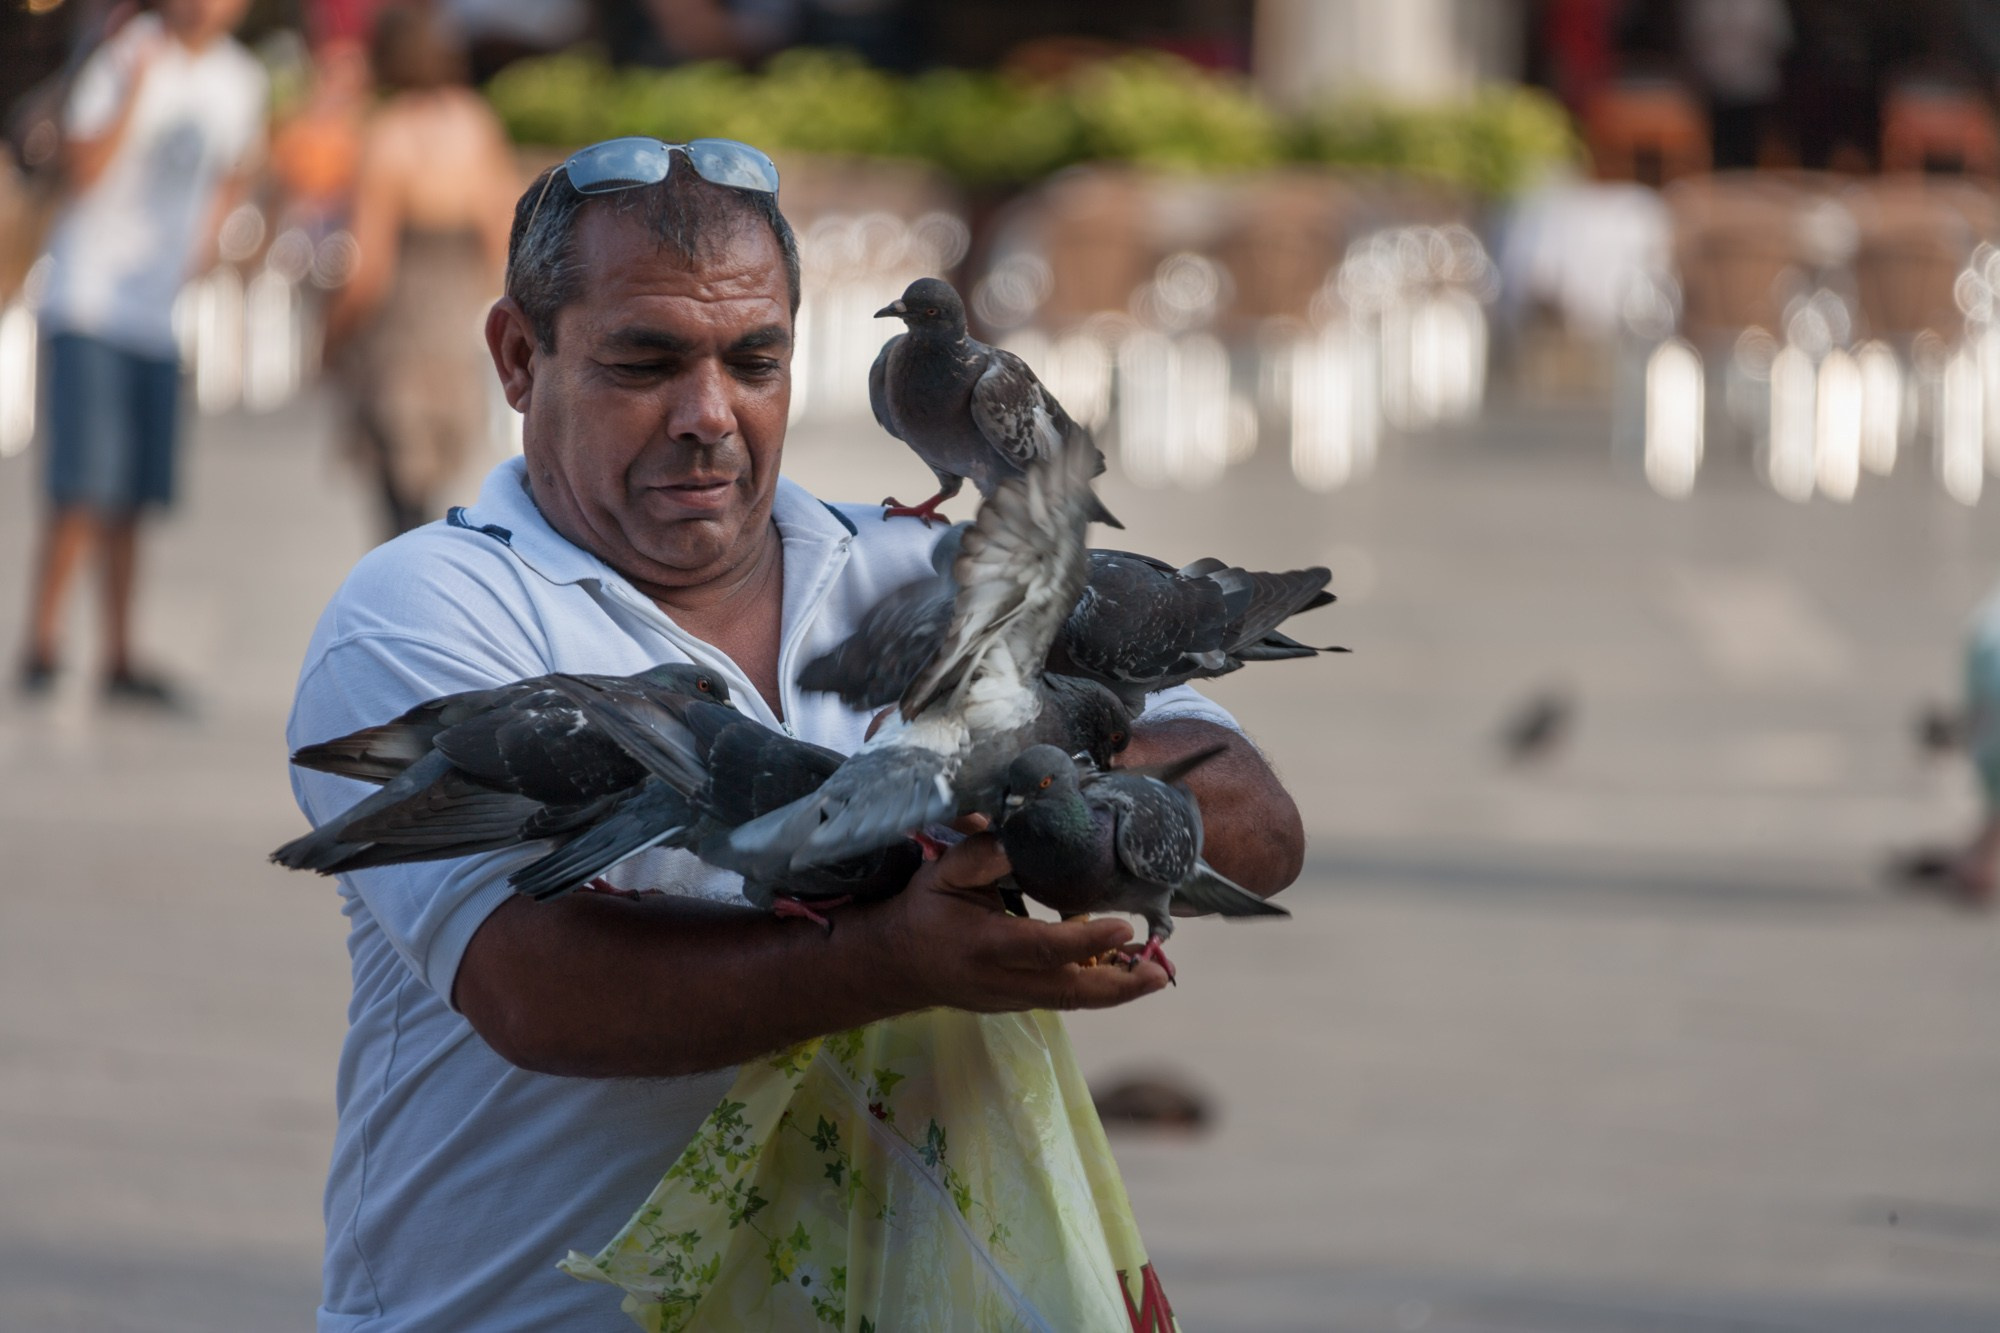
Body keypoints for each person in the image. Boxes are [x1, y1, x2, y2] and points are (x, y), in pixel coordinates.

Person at [285, 138, 1306, 1329]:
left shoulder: (921, 562)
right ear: (519, 355)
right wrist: (891, 951)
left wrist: (988, 771)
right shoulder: (430, 611)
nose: (707, 414)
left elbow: (1251, 825)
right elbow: (534, 986)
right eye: (645, 361)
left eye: (752, 359)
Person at [20, 0, 267, 704]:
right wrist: (133, 88)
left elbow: (233, 171)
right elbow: (84, 168)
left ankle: (117, 653)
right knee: (79, 483)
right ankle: (41, 643)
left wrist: (208, 242)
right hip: (89, 296)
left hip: (157, 312)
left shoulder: (238, 80)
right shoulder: (125, 53)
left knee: (133, 490)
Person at [323, 5, 517, 540]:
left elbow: (370, 268)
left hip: (398, 338)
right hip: (455, 335)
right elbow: (503, 235)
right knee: (441, 506)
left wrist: (330, 338)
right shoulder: (475, 123)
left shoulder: (387, 135)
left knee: (398, 512)